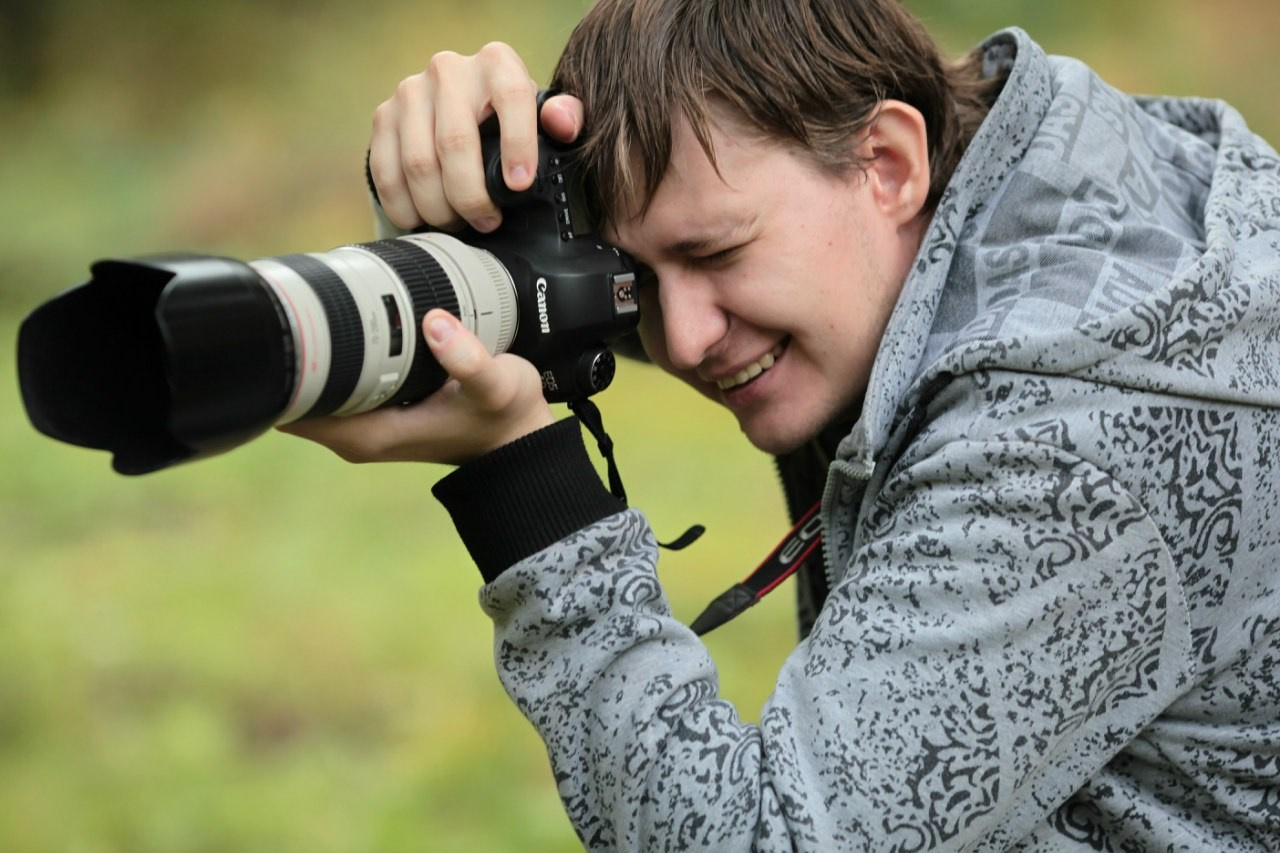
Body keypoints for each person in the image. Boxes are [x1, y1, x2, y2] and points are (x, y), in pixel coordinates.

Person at [283, 0, 1280, 849]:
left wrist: (520, 485)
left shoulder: (1063, 430)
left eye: (716, 254)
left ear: (885, 163)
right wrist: (480, 232)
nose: (680, 339)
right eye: (637, 282)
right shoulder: (1052, 188)